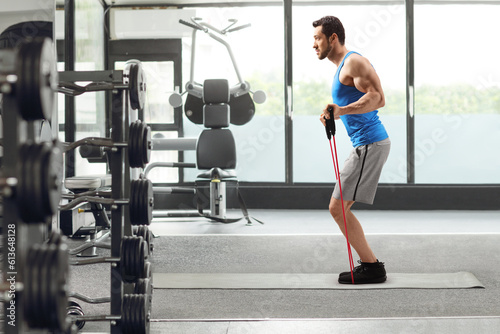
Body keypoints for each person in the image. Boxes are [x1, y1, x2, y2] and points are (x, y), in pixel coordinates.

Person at [313, 16, 391, 284]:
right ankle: (371, 265)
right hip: (365, 144)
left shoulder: (353, 61)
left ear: (333, 38)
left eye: (318, 38)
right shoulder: (341, 68)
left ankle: (372, 267)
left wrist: (342, 110)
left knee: (337, 208)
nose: (314, 44)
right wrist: (333, 113)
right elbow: (353, 102)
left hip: (371, 143)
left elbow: (379, 97)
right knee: (338, 208)